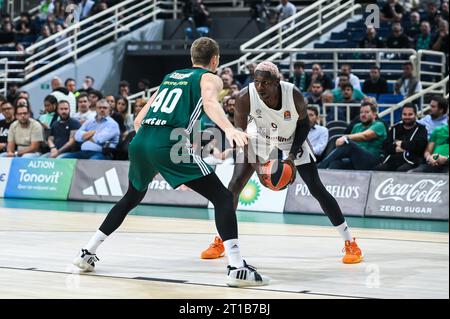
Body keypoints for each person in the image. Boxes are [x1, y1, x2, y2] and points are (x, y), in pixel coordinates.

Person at [72, 37, 269, 288]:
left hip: (140, 142)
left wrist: (155, 151)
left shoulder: (171, 76)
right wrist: (229, 129)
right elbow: (209, 103)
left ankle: (87, 253)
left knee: (131, 197)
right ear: (215, 59)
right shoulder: (210, 78)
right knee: (222, 197)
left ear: (191, 58)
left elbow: (138, 119)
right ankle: (237, 267)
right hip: (167, 143)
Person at [200, 61, 363, 265]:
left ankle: (350, 243)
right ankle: (222, 241)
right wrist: (258, 166)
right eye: (257, 82)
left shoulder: (293, 94)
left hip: (291, 138)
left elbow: (304, 125)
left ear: (277, 81)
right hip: (258, 138)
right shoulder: (244, 97)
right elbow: (240, 135)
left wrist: (292, 157)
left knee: (316, 188)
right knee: (233, 187)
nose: (260, 87)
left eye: (266, 83)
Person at [318, 103, 387, 170]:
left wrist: (346, 137)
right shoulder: (357, 126)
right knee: (336, 164)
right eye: (361, 112)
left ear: (374, 114)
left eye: (367, 112)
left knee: (349, 144)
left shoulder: (379, 125)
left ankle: (320, 167)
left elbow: (365, 136)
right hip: (356, 160)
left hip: (372, 160)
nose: (363, 114)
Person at [374, 103, 428, 171]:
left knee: (402, 170)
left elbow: (419, 147)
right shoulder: (394, 128)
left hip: (412, 161)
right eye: (404, 114)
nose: (407, 117)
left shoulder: (421, 129)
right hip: (392, 160)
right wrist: (399, 148)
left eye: (410, 114)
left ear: (416, 115)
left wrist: (401, 144)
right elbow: (386, 146)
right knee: (378, 169)